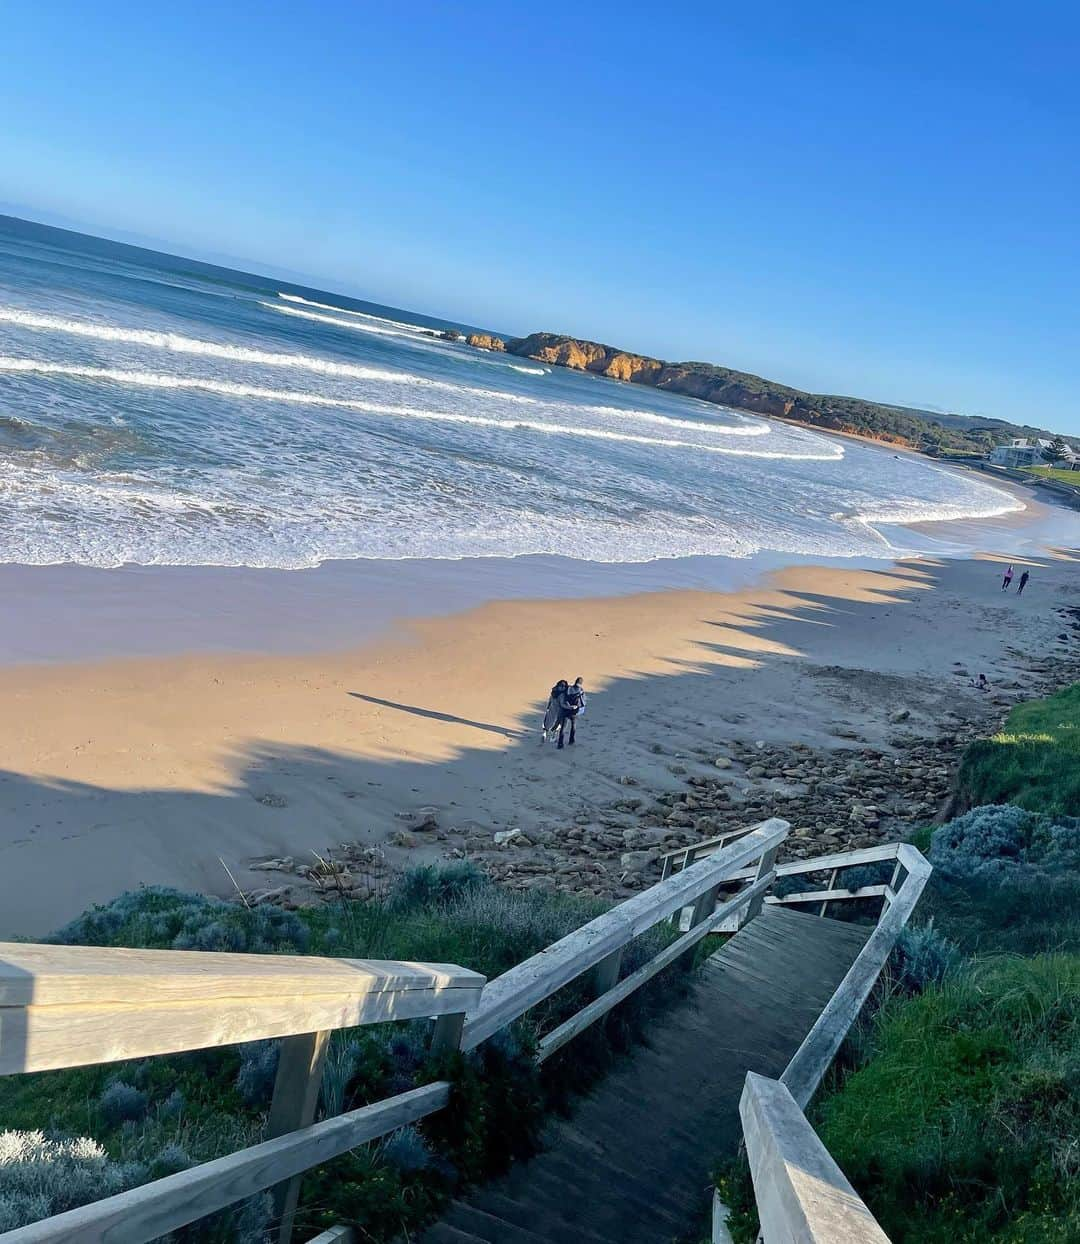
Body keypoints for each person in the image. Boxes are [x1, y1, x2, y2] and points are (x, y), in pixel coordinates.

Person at [557, 677, 586, 749]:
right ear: (581, 683)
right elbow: (584, 702)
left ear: (575, 682)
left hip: (566, 710)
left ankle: (560, 744)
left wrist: (568, 706)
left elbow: (564, 698)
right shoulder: (581, 691)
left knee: (563, 728)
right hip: (574, 712)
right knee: (573, 727)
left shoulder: (568, 688)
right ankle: (571, 740)